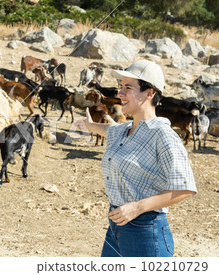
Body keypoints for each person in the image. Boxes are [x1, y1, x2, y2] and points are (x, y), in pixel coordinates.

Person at [83, 60, 197, 257]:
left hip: (145, 232)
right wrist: (89, 126)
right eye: (121, 87)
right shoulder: (124, 129)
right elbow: (109, 130)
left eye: (128, 88)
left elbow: (186, 188)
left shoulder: (163, 135)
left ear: (149, 93)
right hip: (116, 229)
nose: (120, 93)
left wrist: (137, 207)